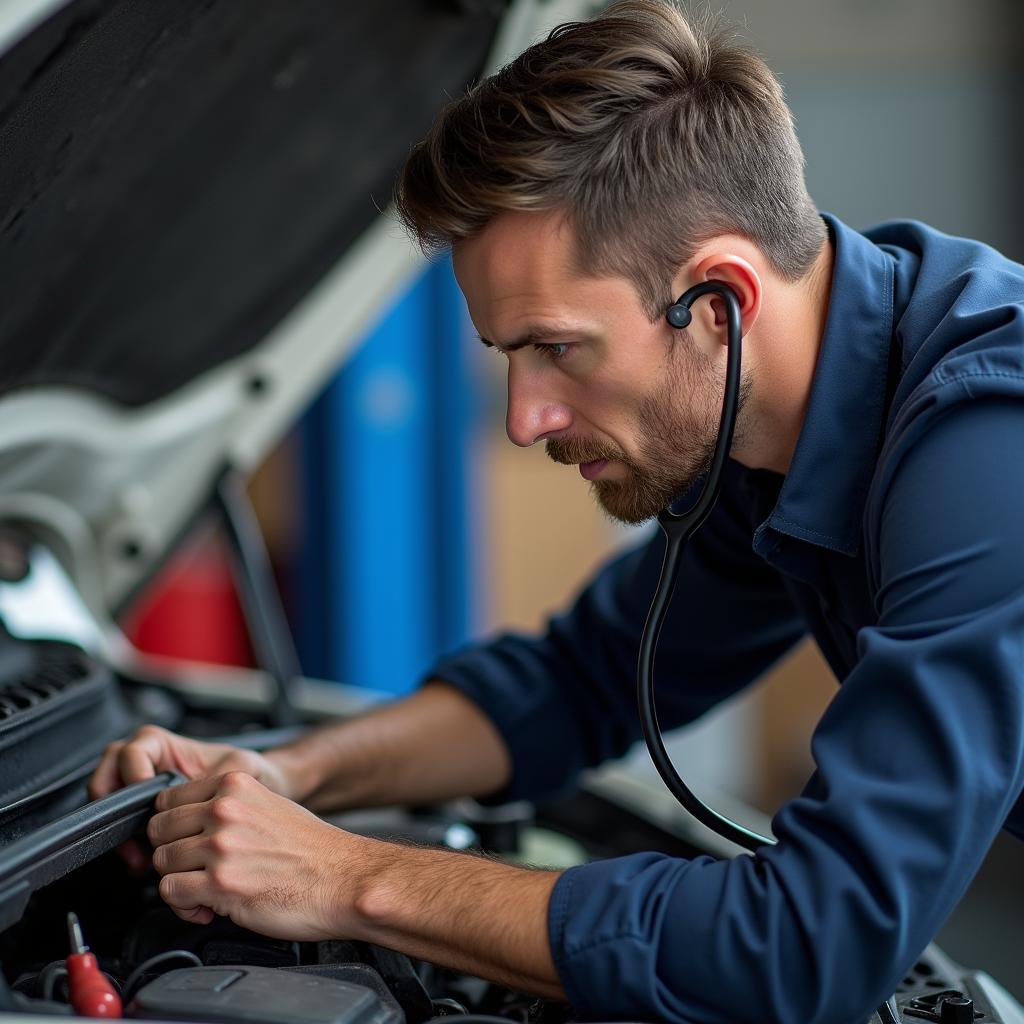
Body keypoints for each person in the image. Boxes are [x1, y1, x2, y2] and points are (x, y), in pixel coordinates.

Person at [90, 2, 1024, 1021]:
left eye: (557, 347)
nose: (525, 419)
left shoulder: (984, 448)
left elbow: (807, 945)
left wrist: (345, 877)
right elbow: (580, 683)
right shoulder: (779, 418)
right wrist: (287, 774)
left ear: (720, 301)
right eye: (507, 356)